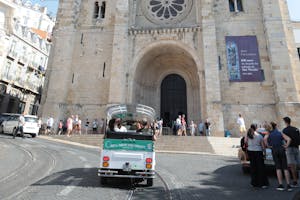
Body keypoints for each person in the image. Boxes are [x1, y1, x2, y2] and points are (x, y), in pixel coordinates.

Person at [264, 122, 292, 191]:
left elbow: (264, 139)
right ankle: (288, 185)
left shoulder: (269, 133)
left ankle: (281, 185)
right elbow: (289, 139)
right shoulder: (280, 132)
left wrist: (268, 146)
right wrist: (286, 146)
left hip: (274, 150)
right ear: (275, 126)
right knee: (285, 168)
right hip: (281, 149)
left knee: (278, 168)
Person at [245, 124, 269, 188]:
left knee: (253, 167)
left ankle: (254, 183)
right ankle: (262, 183)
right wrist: (265, 153)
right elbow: (263, 146)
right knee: (260, 167)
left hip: (250, 151)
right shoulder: (259, 136)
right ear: (256, 128)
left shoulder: (248, 135)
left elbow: (245, 142)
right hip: (258, 151)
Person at [282, 117, 300, 187]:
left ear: (285, 122)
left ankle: (295, 181)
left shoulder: (284, 130)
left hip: (289, 148)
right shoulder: (296, 129)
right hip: (296, 148)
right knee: (298, 164)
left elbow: (284, 140)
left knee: (292, 166)